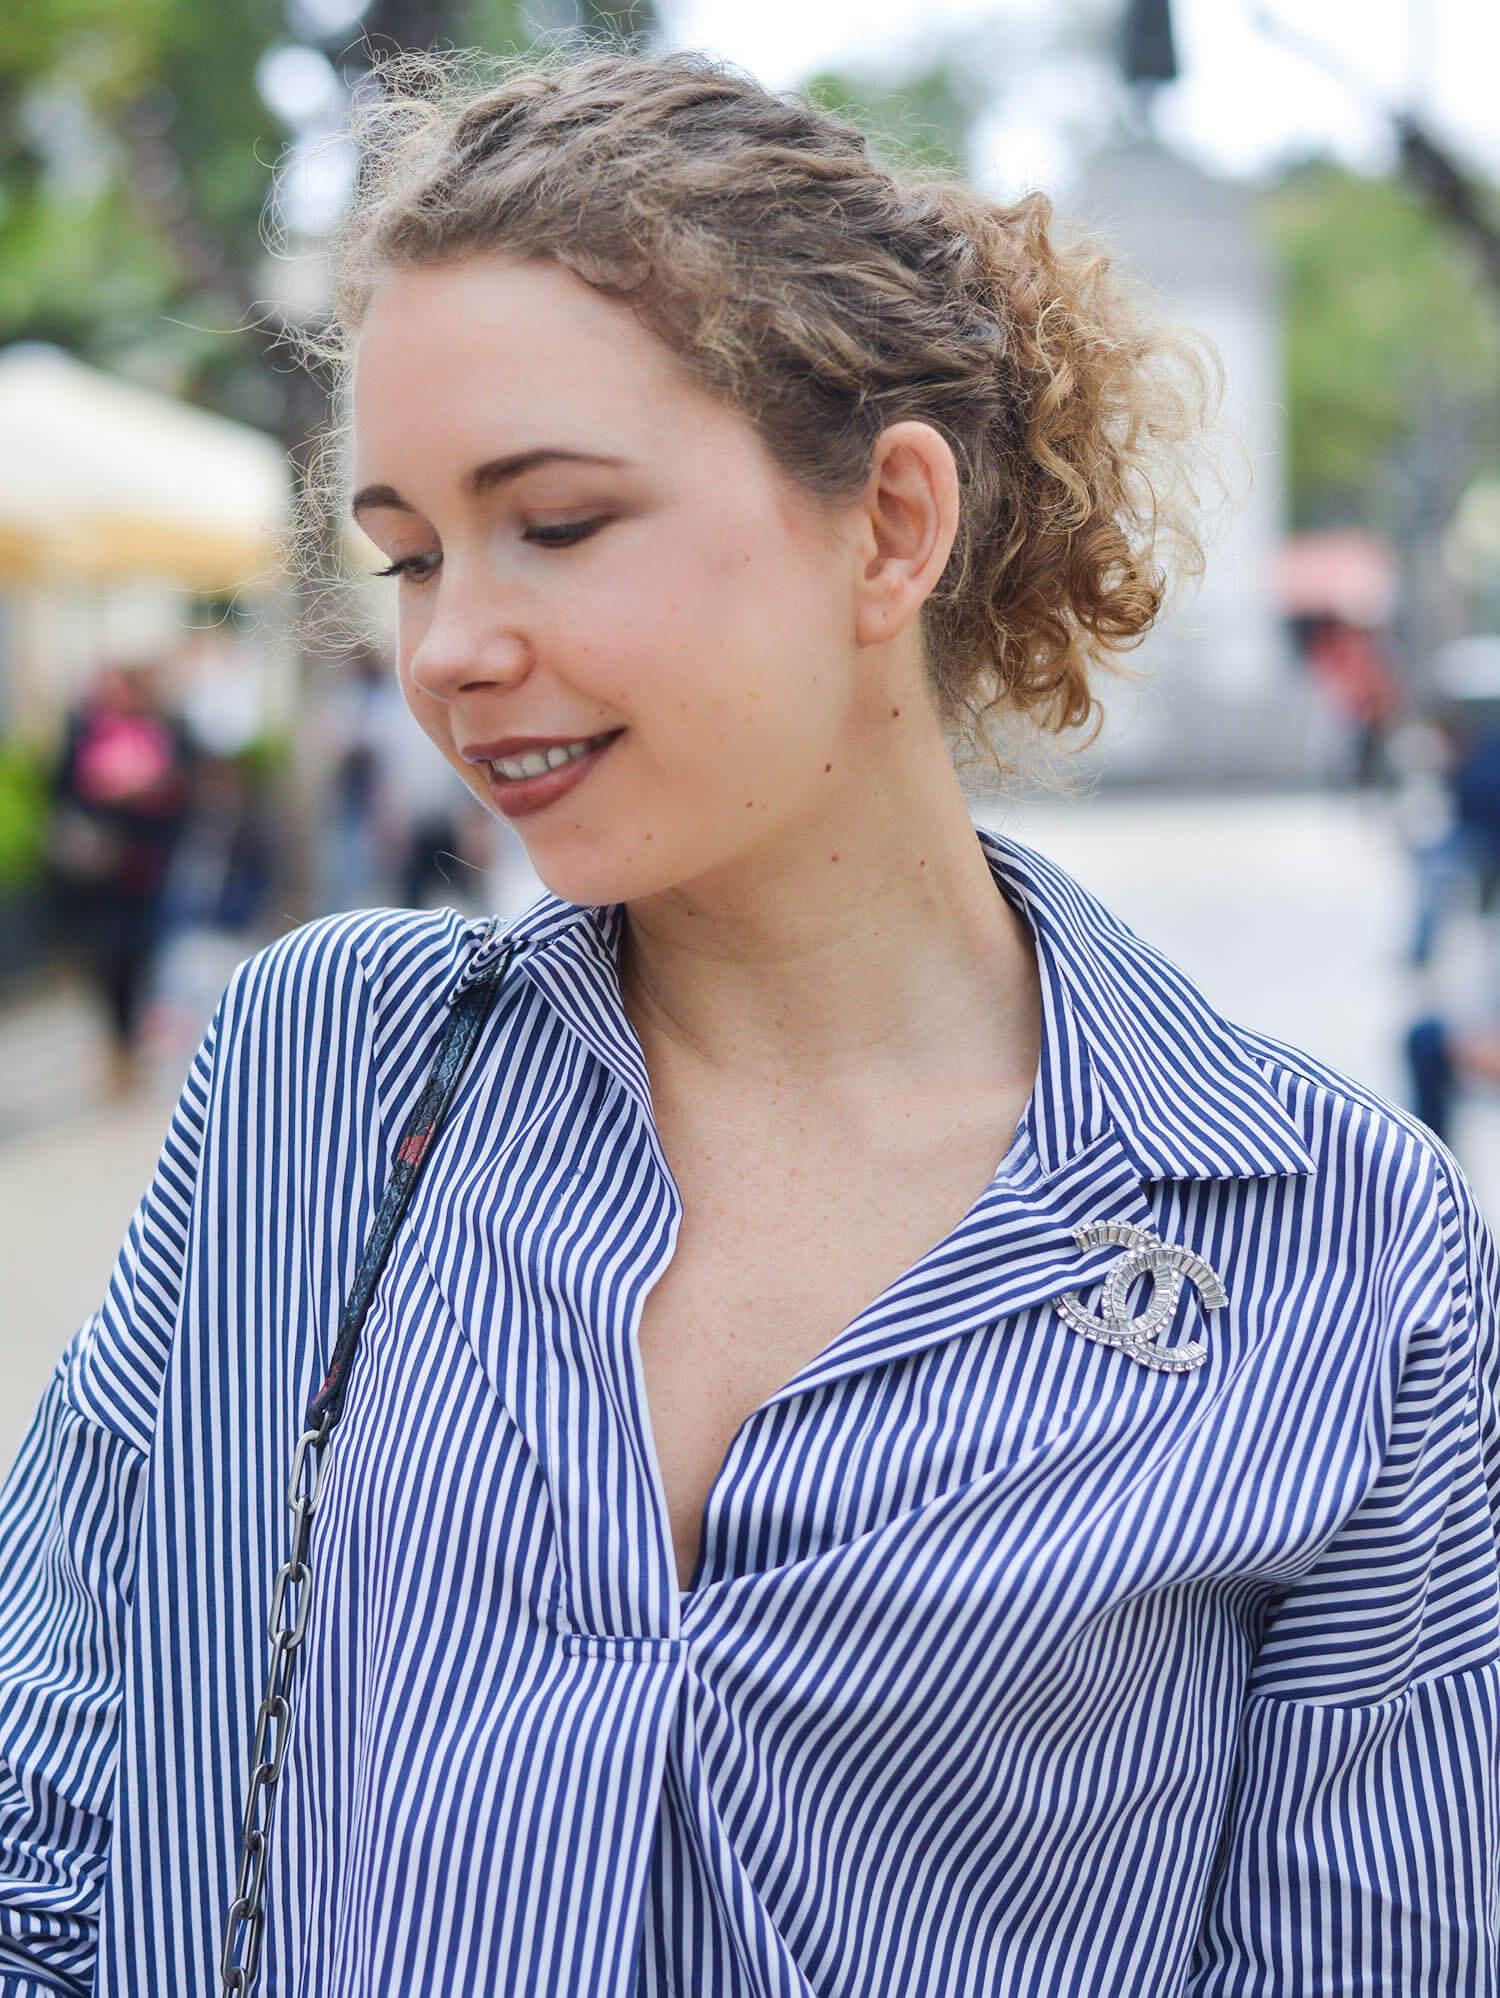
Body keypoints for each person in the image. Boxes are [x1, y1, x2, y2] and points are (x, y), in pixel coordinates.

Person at [0, 51, 1495, 1998]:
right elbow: (55, 1783)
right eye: (412, 553)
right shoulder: (324, 1076)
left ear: (889, 524)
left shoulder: (1337, 1247)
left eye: (554, 521)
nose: (453, 648)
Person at [46, 661, 193, 1094]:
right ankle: (117, 1043)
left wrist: (147, 794)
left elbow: (183, 794)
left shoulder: (164, 730)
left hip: (148, 865)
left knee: (144, 953)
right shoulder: (84, 733)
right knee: (108, 957)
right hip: (99, 870)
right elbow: (60, 791)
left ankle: (133, 1039)